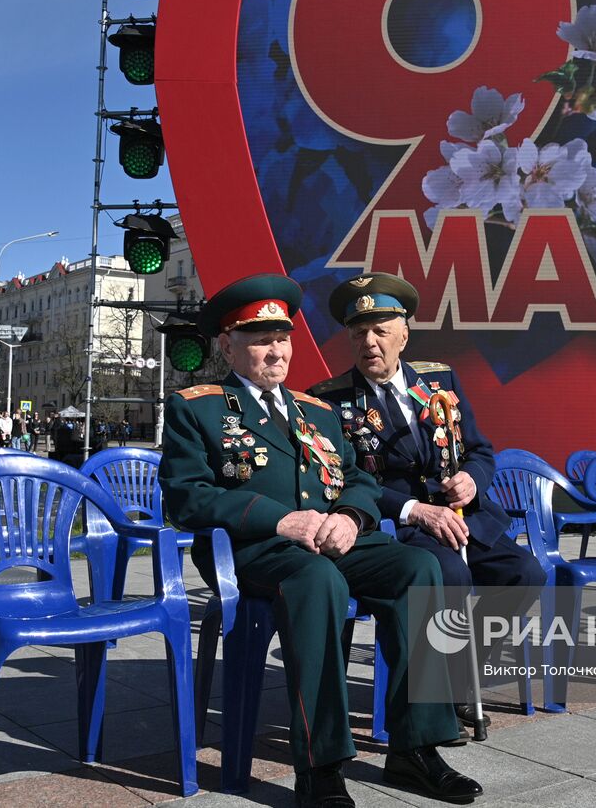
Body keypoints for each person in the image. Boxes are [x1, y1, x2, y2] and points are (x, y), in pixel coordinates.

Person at [160, 274, 481, 808]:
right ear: (227, 345)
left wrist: (353, 517)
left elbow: (354, 478)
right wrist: (281, 521)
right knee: (318, 581)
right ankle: (321, 764)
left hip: (335, 537)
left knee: (419, 570)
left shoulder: (319, 412)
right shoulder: (199, 408)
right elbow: (186, 497)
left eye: (281, 338)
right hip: (259, 548)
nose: (276, 351)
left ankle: (415, 748)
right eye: (260, 339)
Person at [310, 273, 545, 729]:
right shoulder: (330, 401)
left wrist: (472, 481)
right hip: (398, 526)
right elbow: (340, 480)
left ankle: (461, 671)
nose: (369, 342)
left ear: (404, 334)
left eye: (380, 331)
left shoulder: (439, 382)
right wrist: (413, 508)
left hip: (460, 516)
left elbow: (479, 449)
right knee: (449, 572)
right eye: (359, 333)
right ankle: (443, 692)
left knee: (524, 573)